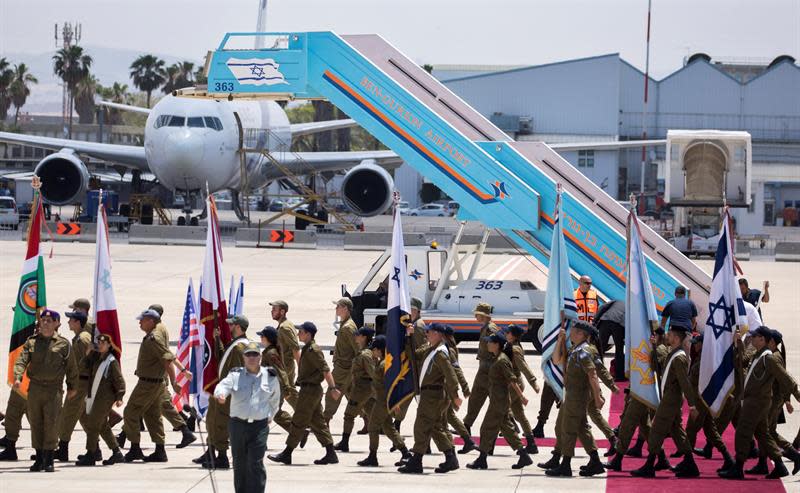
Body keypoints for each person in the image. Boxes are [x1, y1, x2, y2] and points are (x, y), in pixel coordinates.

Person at [719, 326, 800, 479]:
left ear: (762, 339)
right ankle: (782, 465)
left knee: (743, 432)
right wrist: (737, 345)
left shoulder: (768, 358)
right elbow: (739, 363)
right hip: (755, 401)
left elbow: (785, 378)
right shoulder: (758, 355)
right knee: (763, 435)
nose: (752, 338)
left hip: (757, 402)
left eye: (755, 336)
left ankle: (738, 467)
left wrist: (796, 395)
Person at [630, 325, 701, 478]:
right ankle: (690, 463)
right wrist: (654, 347)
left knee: (656, 430)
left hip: (671, 400)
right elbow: (657, 368)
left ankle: (649, 465)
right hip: (668, 397)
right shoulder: (673, 353)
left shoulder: (679, 357)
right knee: (676, 430)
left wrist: (692, 404)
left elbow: (685, 383)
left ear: (676, 338)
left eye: (669, 334)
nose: (666, 336)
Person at [13, 309, 78, 472]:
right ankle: (39, 457)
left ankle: (49, 459)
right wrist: (18, 377)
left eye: (50, 320)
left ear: (57, 323)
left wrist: (72, 387)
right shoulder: (32, 342)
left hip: (53, 390)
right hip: (35, 388)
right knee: (36, 423)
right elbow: (22, 360)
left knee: (51, 423)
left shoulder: (63, 344)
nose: (46, 323)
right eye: (43, 320)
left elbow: (72, 368)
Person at [268, 321, 341, 466]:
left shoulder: (313, 350)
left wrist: (333, 388)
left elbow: (325, 369)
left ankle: (287, 453)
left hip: (310, 391)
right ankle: (331, 453)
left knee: (298, 421)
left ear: (308, 334)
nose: (298, 334)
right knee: (318, 423)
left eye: (300, 331)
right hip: (309, 389)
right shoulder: (308, 349)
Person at [214, 342, 281, 493]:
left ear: (260, 357)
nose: (251, 358)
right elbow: (222, 386)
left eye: (255, 354)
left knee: (255, 462)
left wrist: (269, 416)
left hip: (259, 427)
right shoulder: (235, 375)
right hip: (237, 425)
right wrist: (221, 395)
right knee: (239, 463)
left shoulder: (270, 377)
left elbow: (275, 399)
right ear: (243, 358)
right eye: (248, 355)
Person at [543, 321, 606, 477]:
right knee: (580, 428)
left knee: (568, 429)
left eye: (573, 331)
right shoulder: (574, 349)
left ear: (581, 334)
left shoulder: (584, 351)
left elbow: (593, 375)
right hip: (572, 395)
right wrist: (559, 341)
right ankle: (595, 462)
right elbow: (557, 360)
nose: (570, 333)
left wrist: (598, 397)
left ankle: (565, 465)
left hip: (578, 396)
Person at [397, 323, 462, 474]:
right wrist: (409, 336)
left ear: (439, 334)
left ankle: (417, 461)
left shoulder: (440, 353)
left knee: (421, 426)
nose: (427, 334)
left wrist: (456, 395)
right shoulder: (430, 349)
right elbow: (413, 355)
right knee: (434, 427)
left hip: (433, 395)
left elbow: (450, 374)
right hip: (428, 395)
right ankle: (450, 457)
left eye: (430, 332)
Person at [466, 332, 534, 470]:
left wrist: (521, 397)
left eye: (490, 342)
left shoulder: (502, 360)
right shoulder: (497, 358)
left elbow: (512, 379)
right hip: (498, 398)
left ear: (497, 345)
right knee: (507, 429)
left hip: (499, 400)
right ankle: (523, 455)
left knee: (486, 428)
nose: (487, 344)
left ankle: (482, 459)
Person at [121, 309, 178, 463]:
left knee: (130, 412)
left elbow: (167, 359)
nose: (140, 323)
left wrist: (174, 382)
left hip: (148, 383)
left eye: (142, 320)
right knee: (152, 415)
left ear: (151, 321)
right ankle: (160, 450)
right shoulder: (154, 334)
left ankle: (135, 449)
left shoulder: (154, 338)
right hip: (155, 383)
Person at [196, 314, 250, 470]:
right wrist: (217, 339)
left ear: (239, 327)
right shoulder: (235, 344)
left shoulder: (240, 346)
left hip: (227, 393)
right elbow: (223, 360)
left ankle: (222, 457)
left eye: (232, 325)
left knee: (219, 424)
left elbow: (237, 372)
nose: (229, 327)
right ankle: (213, 452)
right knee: (213, 421)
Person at [147, 303, 196, 449]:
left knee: (157, 406)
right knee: (147, 407)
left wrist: (179, 375)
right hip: (152, 376)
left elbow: (167, 356)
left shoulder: (157, 331)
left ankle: (185, 431)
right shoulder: (158, 329)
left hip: (156, 378)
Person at [683, 334, 735, 471]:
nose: (694, 345)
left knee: (691, 429)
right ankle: (728, 458)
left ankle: (688, 463)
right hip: (703, 400)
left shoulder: (705, 360)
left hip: (701, 401)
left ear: (703, 344)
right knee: (711, 431)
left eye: (697, 343)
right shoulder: (702, 357)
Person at [358, 335, 411, 467]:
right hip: (384, 400)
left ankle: (372, 456)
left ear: (379, 350)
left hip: (383, 401)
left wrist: (395, 401)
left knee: (372, 427)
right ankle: (406, 453)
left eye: (374, 350)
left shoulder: (384, 365)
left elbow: (390, 385)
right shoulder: (385, 362)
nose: (373, 353)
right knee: (388, 428)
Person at [76, 333, 126, 466]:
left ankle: (91, 453)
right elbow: (82, 367)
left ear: (109, 345)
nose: (101, 345)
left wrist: (120, 396)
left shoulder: (111, 361)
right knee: (103, 426)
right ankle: (117, 452)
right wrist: (88, 352)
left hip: (105, 398)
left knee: (92, 424)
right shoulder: (95, 358)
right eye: (99, 342)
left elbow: (119, 380)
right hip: (94, 395)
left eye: (104, 343)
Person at [461, 302, 498, 446]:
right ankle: (466, 425)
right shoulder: (486, 328)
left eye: (476, 313)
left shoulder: (490, 329)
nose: (474, 315)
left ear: (482, 315)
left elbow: (496, 348)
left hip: (488, 368)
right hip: (484, 367)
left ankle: (511, 424)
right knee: (476, 397)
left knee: (490, 400)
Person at [334, 327, 376, 452]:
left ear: (363, 337)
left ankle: (345, 442)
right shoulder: (363, 352)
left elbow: (373, 374)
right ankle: (401, 446)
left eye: (358, 335)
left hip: (362, 389)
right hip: (362, 388)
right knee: (376, 417)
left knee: (349, 415)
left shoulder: (365, 355)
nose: (355, 337)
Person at [504, 324, 540, 454]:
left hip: (514, 384)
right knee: (519, 414)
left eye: (508, 332)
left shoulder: (515, 349)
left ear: (513, 336)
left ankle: (491, 445)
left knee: (501, 411)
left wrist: (533, 382)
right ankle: (531, 443)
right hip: (512, 383)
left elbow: (523, 366)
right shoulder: (510, 346)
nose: (505, 334)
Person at [392, 297, 426, 430]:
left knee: (414, 397)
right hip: (412, 366)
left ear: (416, 310)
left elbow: (418, 349)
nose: (408, 312)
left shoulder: (418, 326)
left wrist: (408, 337)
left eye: (411, 309)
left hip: (415, 367)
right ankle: (397, 424)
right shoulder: (414, 324)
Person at [324, 298, 360, 423]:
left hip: (343, 368)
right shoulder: (345, 325)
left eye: (338, 306)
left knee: (332, 394)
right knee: (352, 396)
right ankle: (368, 418)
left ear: (345, 308)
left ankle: (325, 420)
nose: (336, 309)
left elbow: (357, 348)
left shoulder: (347, 327)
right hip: (345, 367)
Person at [443, 325, 476, 453]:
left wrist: (464, 387)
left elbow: (456, 370)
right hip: (444, 387)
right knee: (445, 417)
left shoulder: (449, 350)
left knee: (447, 416)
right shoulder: (447, 348)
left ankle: (466, 441)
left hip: (446, 388)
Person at [258, 326, 294, 435]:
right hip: (271, 389)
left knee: (267, 414)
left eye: (262, 336)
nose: (260, 338)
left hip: (275, 389)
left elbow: (280, 371)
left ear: (267, 338)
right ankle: (299, 432)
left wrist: (287, 389)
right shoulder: (269, 352)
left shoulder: (271, 353)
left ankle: (298, 432)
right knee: (275, 414)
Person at [268, 300, 300, 387]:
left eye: (274, 309)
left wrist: (301, 369)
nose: (272, 311)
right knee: (286, 393)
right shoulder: (286, 324)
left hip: (285, 366)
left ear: (282, 312)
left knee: (287, 393)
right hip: (283, 365)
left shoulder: (284, 328)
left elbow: (295, 348)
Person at [593, 299, 626, 381]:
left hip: (604, 322)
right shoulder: (630, 308)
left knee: (601, 349)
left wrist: (595, 321)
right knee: (619, 349)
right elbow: (626, 325)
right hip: (617, 324)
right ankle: (619, 376)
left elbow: (602, 307)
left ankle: (596, 373)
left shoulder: (616, 301)